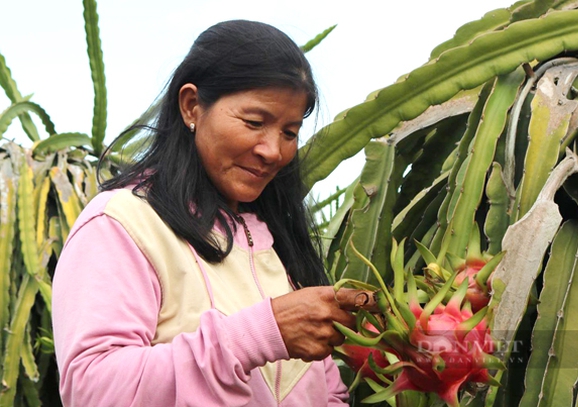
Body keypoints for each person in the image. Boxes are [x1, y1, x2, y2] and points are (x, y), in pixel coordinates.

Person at [52, 20, 374, 406]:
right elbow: (92, 390)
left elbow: (328, 395)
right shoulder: (121, 224)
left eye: (290, 132)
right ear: (191, 105)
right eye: (255, 122)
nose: (273, 151)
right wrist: (262, 334)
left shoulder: (280, 244)